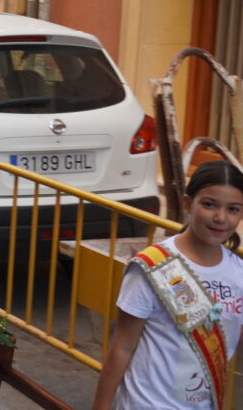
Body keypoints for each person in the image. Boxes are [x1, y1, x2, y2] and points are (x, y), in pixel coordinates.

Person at [92, 160, 243, 410]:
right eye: (209, 204)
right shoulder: (154, 265)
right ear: (187, 203)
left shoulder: (238, 274)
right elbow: (122, 347)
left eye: (233, 209)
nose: (220, 217)